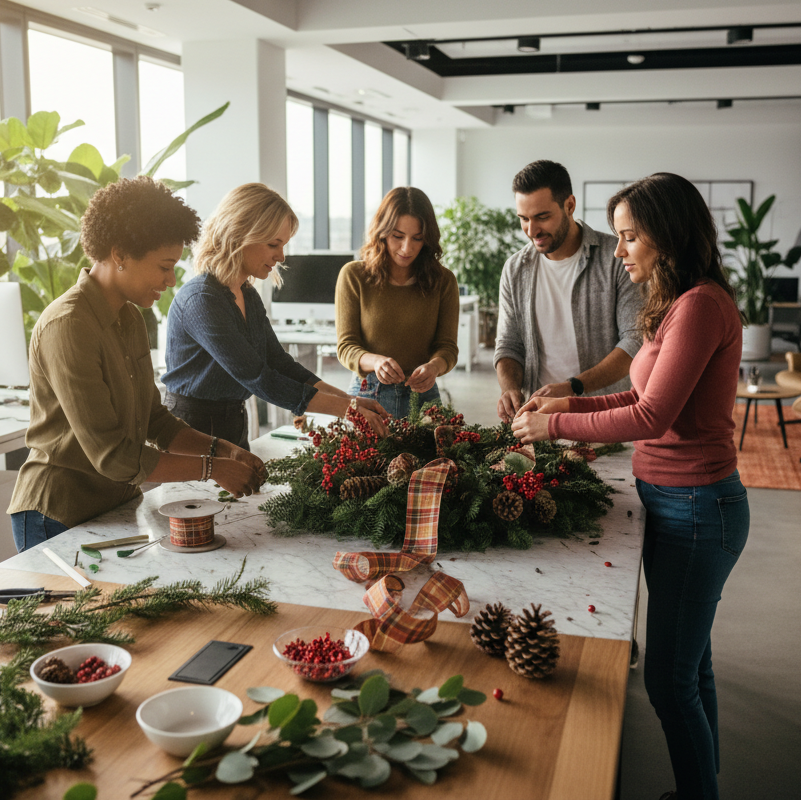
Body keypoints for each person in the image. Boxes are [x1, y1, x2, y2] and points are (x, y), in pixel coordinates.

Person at [512, 173, 749, 801]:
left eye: (628, 237)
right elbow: (641, 395)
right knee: (690, 666)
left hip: (699, 508)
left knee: (670, 682)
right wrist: (574, 393)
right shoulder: (676, 301)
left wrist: (552, 426)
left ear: (665, 236)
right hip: (680, 505)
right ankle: (706, 785)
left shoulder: (698, 306)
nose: (619, 251)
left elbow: (651, 419)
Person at [8, 177, 264, 552]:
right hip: (56, 512)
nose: (170, 279)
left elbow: (155, 420)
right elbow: (112, 455)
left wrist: (223, 450)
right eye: (163, 266)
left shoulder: (129, 318)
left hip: (113, 506)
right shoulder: (68, 324)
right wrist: (212, 469)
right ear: (120, 254)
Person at [162, 183, 387, 443]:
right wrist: (349, 411)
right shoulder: (201, 300)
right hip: (192, 428)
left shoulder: (248, 295)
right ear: (239, 234)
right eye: (273, 244)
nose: (281, 256)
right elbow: (259, 377)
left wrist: (350, 400)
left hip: (233, 421)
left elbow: (279, 363)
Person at [495, 159, 643, 422]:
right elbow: (509, 345)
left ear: (569, 206)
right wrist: (509, 389)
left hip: (607, 419)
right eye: (523, 219)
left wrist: (572, 387)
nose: (532, 230)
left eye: (542, 217)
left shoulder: (618, 258)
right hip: (539, 420)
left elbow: (634, 342)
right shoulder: (515, 269)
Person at [336, 186, 459, 419]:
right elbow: (346, 347)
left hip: (423, 396)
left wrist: (434, 367)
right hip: (368, 393)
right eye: (398, 236)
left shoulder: (443, 281)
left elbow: (448, 347)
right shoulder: (354, 276)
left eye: (417, 238)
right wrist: (376, 361)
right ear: (382, 232)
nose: (407, 248)